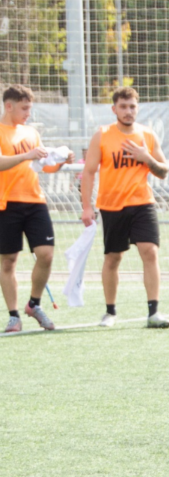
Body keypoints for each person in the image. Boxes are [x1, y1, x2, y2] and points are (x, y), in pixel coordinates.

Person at [80, 87, 169, 328]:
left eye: (132, 106)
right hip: (111, 206)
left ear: (137, 108)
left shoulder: (147, 135)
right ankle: (110, 312)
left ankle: (154, 312)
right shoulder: (102, 135)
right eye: (123, 106)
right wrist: (86, 207)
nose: (128, 111)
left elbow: (163, 171)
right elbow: (89, 172)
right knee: (113, 258)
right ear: (114, 109)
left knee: (150, 252)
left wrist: (146, 157)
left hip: (142, 203)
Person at [0, 85, 74, 333]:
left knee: (46, 255)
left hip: (35, 201)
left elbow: (44, 165)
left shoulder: (31, 132)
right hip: (6, 204)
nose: (28, 114)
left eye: (30, 108)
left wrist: (61, 161)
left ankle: (34, 304)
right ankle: (13, 316)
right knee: (8, 261)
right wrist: (26, 156)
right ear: (8, 106)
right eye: (24, 108)